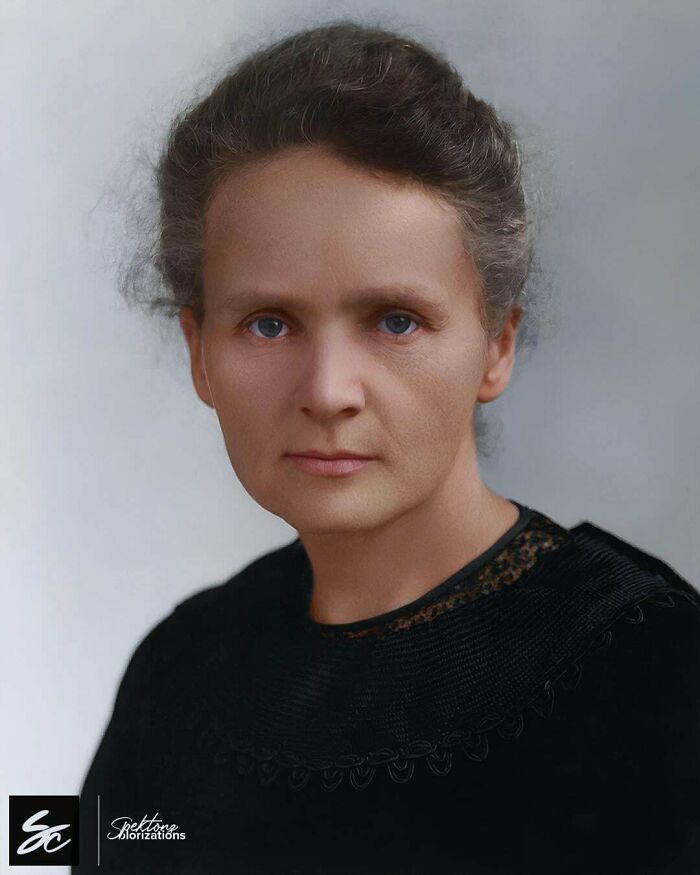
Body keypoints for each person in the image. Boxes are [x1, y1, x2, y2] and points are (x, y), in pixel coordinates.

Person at [75, 19, 700, 875]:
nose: (328, 389)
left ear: (497, 345)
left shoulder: (653, 667)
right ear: (199, 350)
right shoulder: (178, 668)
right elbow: (47, 851)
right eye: (269, 323)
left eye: (395, 320)